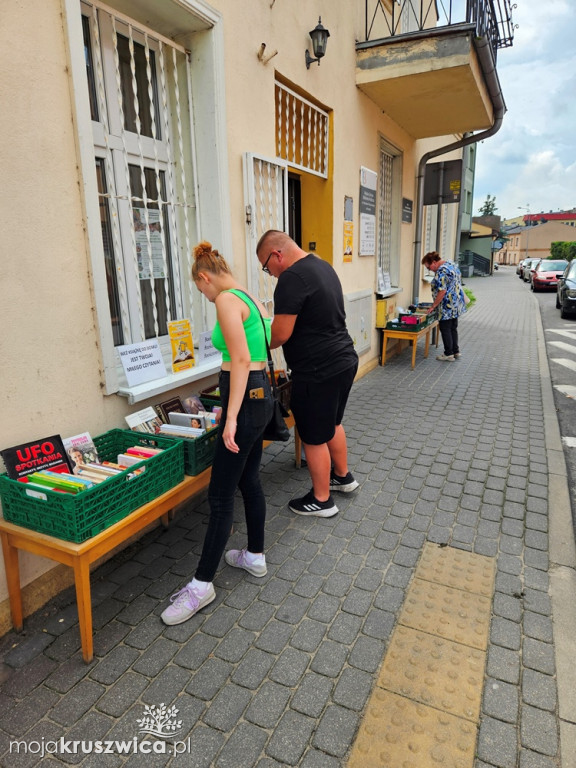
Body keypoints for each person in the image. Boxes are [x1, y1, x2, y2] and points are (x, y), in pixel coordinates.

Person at [161, 241, 274, 625]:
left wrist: (230, 418)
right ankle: (254, 556)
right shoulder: (251, 297)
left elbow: (239, 359)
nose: (206, 298)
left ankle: (202, 585)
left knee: (220, 496)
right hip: (259, 396)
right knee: (250, 481)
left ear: (205, 278)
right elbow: (258, 353)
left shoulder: (227, 299)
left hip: (246, 401)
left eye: (201, 291)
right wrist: (232, 406)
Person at [256, 230, 359, 518]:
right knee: (333, 422)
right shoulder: (322, 266)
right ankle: (343, 477)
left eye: (267, 267)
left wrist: (260, 330)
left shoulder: (291, 278)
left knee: (313, 436)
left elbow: (279, 335)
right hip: (344, 359)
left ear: (277, 254)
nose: (270, 274)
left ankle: (322, 499)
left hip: (317, 369)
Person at [422, 251, 466, 362]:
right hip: (455, 303)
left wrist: (433, 306)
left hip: (446, 305)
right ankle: (456, 351)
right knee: (452, 327)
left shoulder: (442, 271)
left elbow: (442, 291)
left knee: (445, 328)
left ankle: (448, 354)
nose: (430, 270)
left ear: (434, 262)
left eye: (429, 267)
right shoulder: (451, 264)